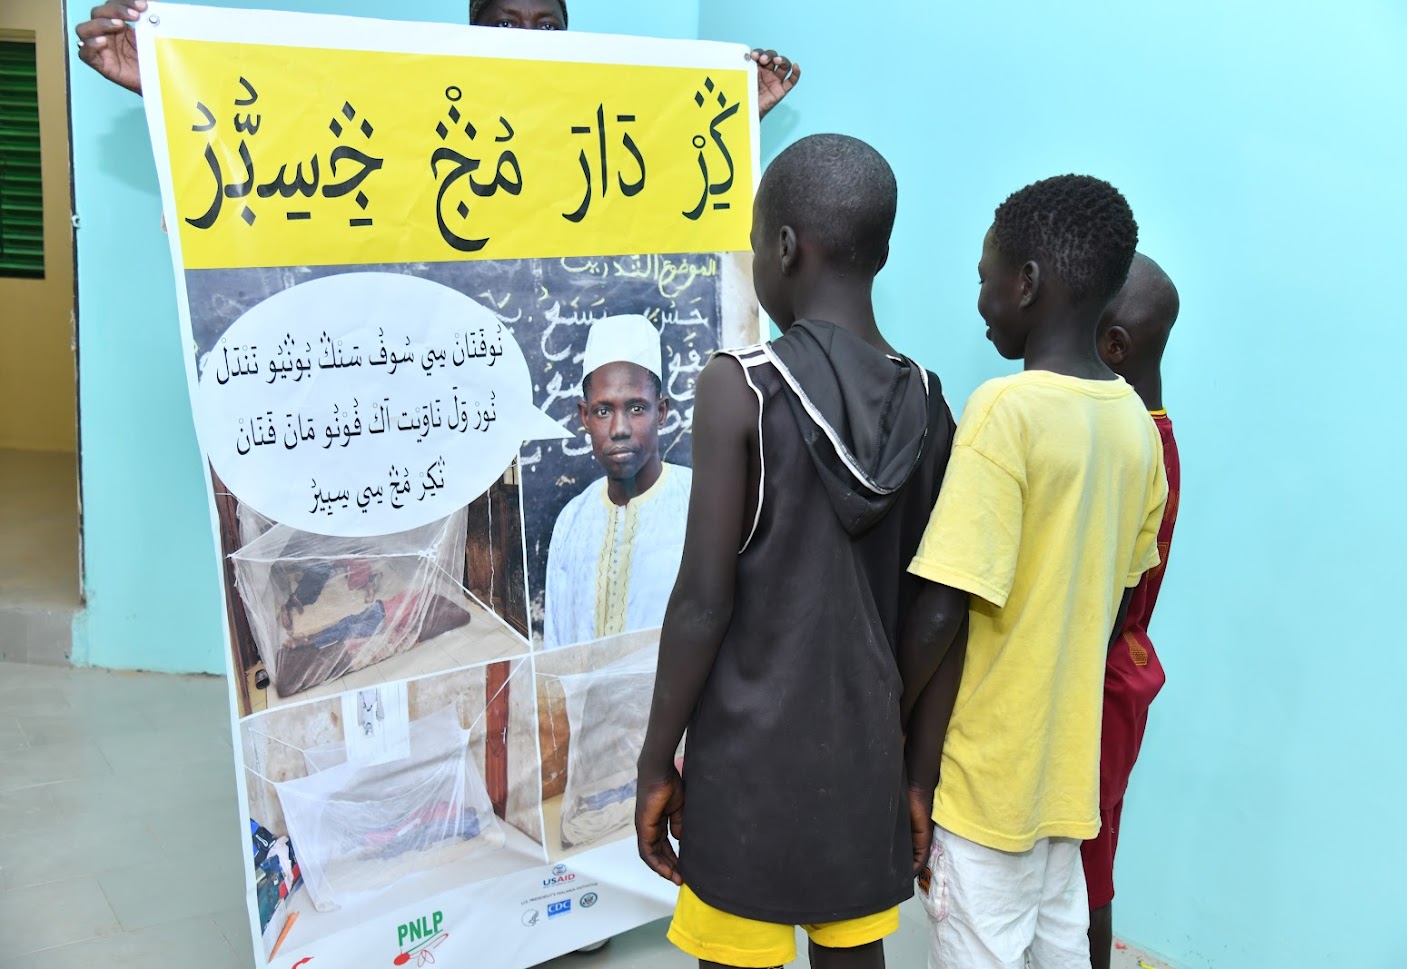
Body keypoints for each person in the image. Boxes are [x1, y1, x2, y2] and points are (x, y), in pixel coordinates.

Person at [634, 133, 957, 969]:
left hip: (745, 766)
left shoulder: (736, 387)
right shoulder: (928, 402)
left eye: (752, 247)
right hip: (861, 762)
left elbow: (703, 601)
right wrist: (913, 767)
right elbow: (942, 609)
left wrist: (653, 758)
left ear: (783, 247)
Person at [897, 174, 1169, 969]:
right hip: (1063, 784)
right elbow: (1118, 595)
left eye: (985, 279)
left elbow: (945, 602)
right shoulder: (1134, 425)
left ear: (1027, 283)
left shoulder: (1003, 411)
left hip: (984, 787)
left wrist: (893, 718)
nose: (979, 299)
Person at [75, 0, 801, 119]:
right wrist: (163, 80)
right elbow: (289, 132)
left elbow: (672, 161)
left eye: (546, 24)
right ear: (471, 30)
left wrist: (734, 113)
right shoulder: (422, 109)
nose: (527, 38)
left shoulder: (601, 129)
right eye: (504, 22)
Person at [1082, 252, 1182, 969]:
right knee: (1090, 859)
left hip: (1099, 683)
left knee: (1085, 875)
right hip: (1116, 676)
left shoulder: (1133, 447)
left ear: (1112, 345)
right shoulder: (1148, 433)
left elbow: (1102, 601)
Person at [543, 314, 692, 649]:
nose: (619, 428)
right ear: (584, 416)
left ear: (662, 411)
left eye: (636, 408)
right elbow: (556, 644)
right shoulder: (571, 522)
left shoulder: (698, 505)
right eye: (603, 411)